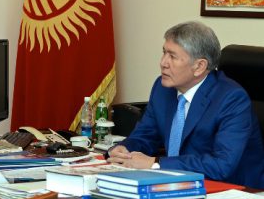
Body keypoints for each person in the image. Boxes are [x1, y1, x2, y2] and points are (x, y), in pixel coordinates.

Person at [108, 21, 264, 188]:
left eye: (172, 56)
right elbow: (145, 135)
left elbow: (221, 165)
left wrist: (155, 163)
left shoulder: (232, 99)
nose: (163, 63)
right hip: (179, 184)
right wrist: (125, 149)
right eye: (164, 53)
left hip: (235, 192)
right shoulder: (162, 89)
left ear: (199, 66)